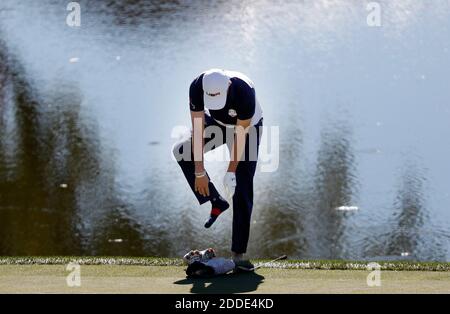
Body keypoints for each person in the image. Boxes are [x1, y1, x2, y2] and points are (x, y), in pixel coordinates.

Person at [173, 68, 263, 264]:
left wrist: (231, 171)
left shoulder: (244, 90)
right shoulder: (197, 86)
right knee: (181, 150)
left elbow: (240, 134)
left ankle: (238, 254)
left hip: (247, 128)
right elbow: (197, 129)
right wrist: (199, 172)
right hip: (217, 122)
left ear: (228, 86)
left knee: (241, 185)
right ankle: (216, 199)